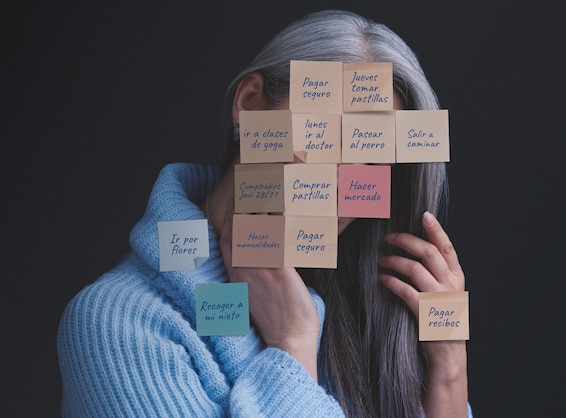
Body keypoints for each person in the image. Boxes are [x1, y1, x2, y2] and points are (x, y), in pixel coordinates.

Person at [58, 10, 471, 417]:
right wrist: (293, 344)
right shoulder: (116, 324)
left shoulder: (380, 311)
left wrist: (449, 370)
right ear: (251, 105)